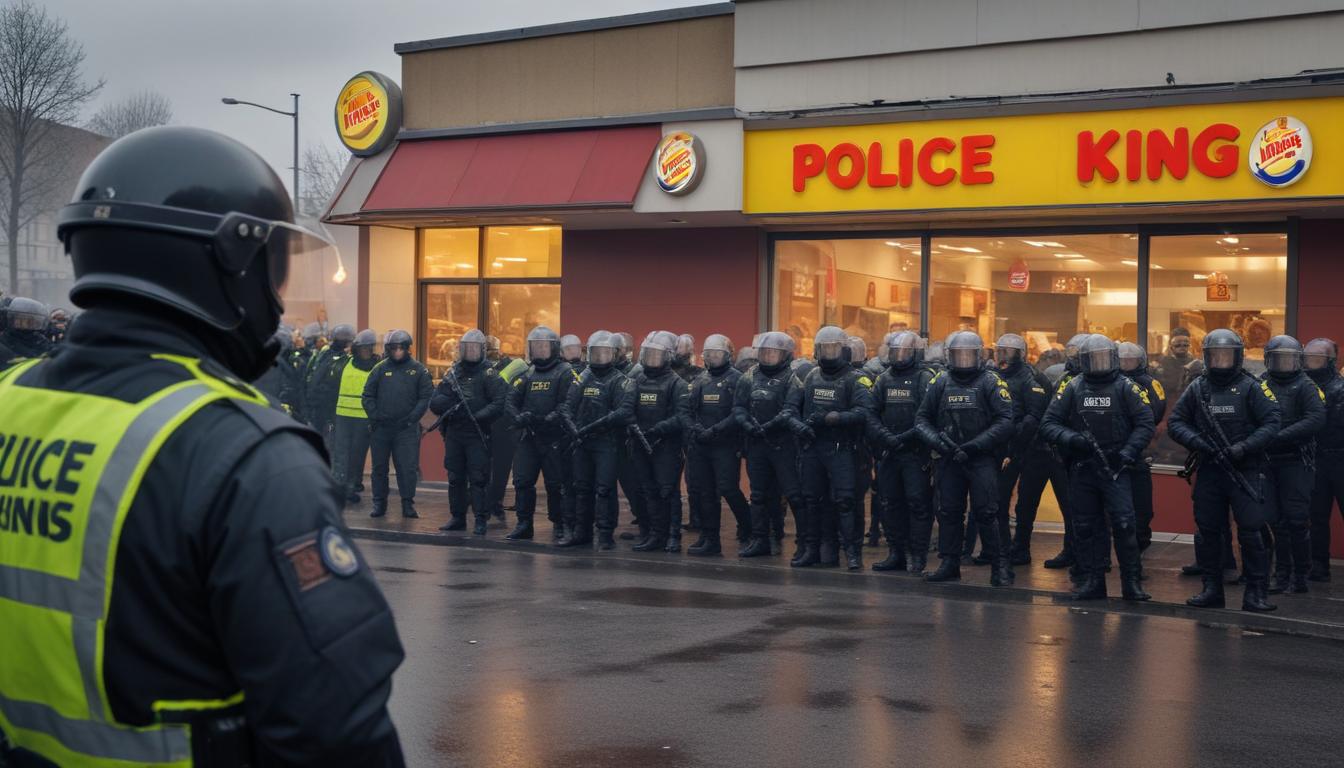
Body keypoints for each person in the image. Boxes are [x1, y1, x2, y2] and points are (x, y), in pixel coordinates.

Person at [0, 125, 404, 766]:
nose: (274, 299)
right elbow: (337, 727)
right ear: (226, 262)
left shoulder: (9, 399)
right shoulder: (243, 453)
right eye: (272, 269)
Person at [1167, 328, 1281, 612]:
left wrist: (1244, 447)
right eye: (1215, 355)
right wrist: (1199, 443)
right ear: (1206, 357)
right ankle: (1211, 589)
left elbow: (1272, 422)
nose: (1220, 361)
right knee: (1209, 532)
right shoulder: (1198, 387)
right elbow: (1176, 422)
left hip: (1246, 469)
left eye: (1226, 355)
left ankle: (1256, 593)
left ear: (1237, 356)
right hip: (1211, 469)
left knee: (1252, 532)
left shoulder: (1252, 386)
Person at [1039, 335, 1156, 601]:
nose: (1098, 364)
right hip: (1083, 467)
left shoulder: (1126, 386)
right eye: (1093, 359)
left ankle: (1132, 583)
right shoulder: (1072, 386)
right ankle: (1093, 581)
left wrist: (1127, 453)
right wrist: (1074, 440)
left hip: (1116, 468)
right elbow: (1048, 424)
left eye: (1103, 357)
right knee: (1085, 525)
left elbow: (1145, 423)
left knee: (1125, 525)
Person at [915, 331, 1015, 584]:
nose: (963, 359)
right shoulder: (940, 382)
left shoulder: (991, 381)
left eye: (968, 354)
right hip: (949, 457)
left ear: (979, 355)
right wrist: (939, 443)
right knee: (948, 512)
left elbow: (1005, 421)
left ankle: (999, 565)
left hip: (981, 457)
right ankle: (949, 563)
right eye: (958, 354)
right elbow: (922, 419)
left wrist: (975, 445)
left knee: (987, 512)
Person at [785, 326, 876, 570]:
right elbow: (790, 409)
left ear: (844, 351)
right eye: (824, 349)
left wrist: (833, 418)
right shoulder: (809, 376)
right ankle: (813, 549)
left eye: (834, 349)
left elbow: (865, 412)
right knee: (812, 500)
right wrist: (799, 426)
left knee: (846, 501)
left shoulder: (857, 378)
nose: (828, 353)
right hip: (813, 446)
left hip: (843, 448)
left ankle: (852, 553)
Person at [558, 330, 635, 550]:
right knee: (581, 487)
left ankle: (605, 534)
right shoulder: (582, 377)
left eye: (605, 352)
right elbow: (567, 405)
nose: (600, 357)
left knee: (605, 488)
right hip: (582, 442)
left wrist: (595, 427)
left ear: (613, 354)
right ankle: (581, 531)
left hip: (607, 443)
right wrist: (573, 428)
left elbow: (623, 412)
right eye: (596, 352)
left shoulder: (621, 380)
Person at [1260, 335, 1325, 594]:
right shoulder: (1261, 384)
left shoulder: (1306, 385)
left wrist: (1277, 436)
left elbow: (1315, 418)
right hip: (1267, 461)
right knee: (1274, 521)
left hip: (1297, 461)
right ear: (1268, 360)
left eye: (1289, 359)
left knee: (1296, 520)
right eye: (1279, 359)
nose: (1284, 364)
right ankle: (1281, 574)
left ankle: (1300, 576)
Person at [868, 331, 935, 574]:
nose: (899, 356)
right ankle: (896, 553)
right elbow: (871, 413)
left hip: (915, 453)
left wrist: (906, 438)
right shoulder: (884, 378)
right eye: (895, 351)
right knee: (889, 503)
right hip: (889, 452)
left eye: (905, 351)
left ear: (915, 353)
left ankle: (918, 556)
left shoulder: (925, 378)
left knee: (918, 504)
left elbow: (927, 415)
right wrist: (886, 438)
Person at [429, 329, 507, 533]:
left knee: (478, 478)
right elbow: (435, 401)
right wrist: (450, 405)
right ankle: (457, 517)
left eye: (474, 348)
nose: (470, 352)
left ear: (482, 350)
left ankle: (480, 519)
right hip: (455, 432)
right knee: (455, 477)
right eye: (467, 348)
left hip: (477, 433)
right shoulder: (453, 373)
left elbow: (499, 403)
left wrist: (478, 415)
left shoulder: (489, 374)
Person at [505, 326, 578, 543]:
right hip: (529, 436)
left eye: (544, 347)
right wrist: (517, 417)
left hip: (555, 437)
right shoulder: (527, 372)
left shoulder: (565, 371)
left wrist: (553, 417)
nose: (539, 351)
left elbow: (569, 401)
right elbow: (510, 398)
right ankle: (524, 524)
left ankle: (560, 523)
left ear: (554, 348)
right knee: (522, 481)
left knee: (556, 484)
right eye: (536, 347)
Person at [735, 331, 803, 559]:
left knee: (794, 494)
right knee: (758, 495)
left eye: (772, 353)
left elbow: (791, 409)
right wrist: (747, 424)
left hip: (783, 446)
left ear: (785, 355)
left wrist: (770, 425)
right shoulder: (749, 376)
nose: (767, 356)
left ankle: (804, 543)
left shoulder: (793, 379)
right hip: (757, 445)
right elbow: (739, 407)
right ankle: (759, 539)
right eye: (764, 352)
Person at [685, 334, 751, 556]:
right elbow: (689, 410)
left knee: (728, 489)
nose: (712, 357)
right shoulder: (701, 380)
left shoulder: (738, 380)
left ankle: (749, 530)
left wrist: (715, 430)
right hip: (702, 444)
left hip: (725, 443)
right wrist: (696, 429)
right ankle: (709, 537)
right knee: (704, 492)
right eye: (708, 353)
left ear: (728, 355)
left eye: (717, 353)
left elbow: (738, 412)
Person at [994, 333, 1055, 566]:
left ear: (1020, 353)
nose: (1003, 355)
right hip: (1003, 447)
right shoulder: (993, 376)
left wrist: (1015, 437)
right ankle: (1001, 546)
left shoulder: (1033, 377)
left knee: (1025, 503)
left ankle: (1021, 548)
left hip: (1032, 448)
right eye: (1000, 350)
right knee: (999, 500)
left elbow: (1035, 416)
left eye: (1008, 351)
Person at [629, 330, 690, 552]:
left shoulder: (677, 383)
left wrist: (659, 430)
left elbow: (682, 415)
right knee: (648, 489)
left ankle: (673, 535)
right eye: (649, 354)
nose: (651, 359)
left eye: (657, 355)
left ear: (668, 356)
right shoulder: (637, 379)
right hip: (640, 442)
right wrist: (633, 425)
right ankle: (655, 533)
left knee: (668, 490)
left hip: (667, 445)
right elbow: (627, 406)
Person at [361, 330, 431, 519]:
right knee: (379, 468)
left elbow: (425, 397)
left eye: (401, 348)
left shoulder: (418, 370)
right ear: (388, 349)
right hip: (382, 428)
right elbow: (367, 395)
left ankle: (407, 504)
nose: (398, 351)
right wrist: (375, 417)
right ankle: (379, 504)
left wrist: (412, 418)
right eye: (394, 348)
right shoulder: (380, 369)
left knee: (406, 468)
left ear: (408, 348)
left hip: (406, 429)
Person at [1118, 342, 1167, 560]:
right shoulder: (1112, 382)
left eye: (1131, 359)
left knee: (1142, 506)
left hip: (1140, 451)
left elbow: (1156, 411)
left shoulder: (1151, 383)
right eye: (1122, 359)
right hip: (1116, 451)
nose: (1126, 363)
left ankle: (1140, 545)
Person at [1305, 338, 1344, 582]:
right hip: (1314, 460)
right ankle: (1319, 565)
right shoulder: (1302, 387)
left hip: (1340, 460)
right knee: (1316, 516)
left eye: (1316, 359)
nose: (1310, 363)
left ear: (1330, 361)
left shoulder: (1340, 388)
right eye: (1307, 358)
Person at [331, 329, 378, 504]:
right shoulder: (345, 363)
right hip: (342, 416)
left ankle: (351, 486)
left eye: (369, 348)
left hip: (364, 419)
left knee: (357, 456)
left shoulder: (377, 367)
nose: (367, 351)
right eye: (364, 348)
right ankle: (339, 488)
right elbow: (332, 388)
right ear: (357, 349)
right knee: (341, 454)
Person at [610, 331, 649, 540]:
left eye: (617, 350)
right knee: (607, 482)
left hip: (628, 434)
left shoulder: (637, 371)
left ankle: (645, 521)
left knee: (634, 482)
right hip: (608, 432)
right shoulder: (601, 371)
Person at [485, 340, 526, 523]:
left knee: (501, 469)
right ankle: (484, 503)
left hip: (503, 424)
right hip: (484, 423)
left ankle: (494, 504)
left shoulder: (512, 366)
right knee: (481, 467)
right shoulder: (473, 368)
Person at [305, 323, 355, 453]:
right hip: (327, 407)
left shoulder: (326, 355)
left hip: (327, 407)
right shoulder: (333, 357)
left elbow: (314, 380)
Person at [0, 297, 53, 366]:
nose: (27, 324)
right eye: (21, 320)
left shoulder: (40, 340)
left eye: (32, 321)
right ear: (10, 319)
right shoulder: (4, 342)